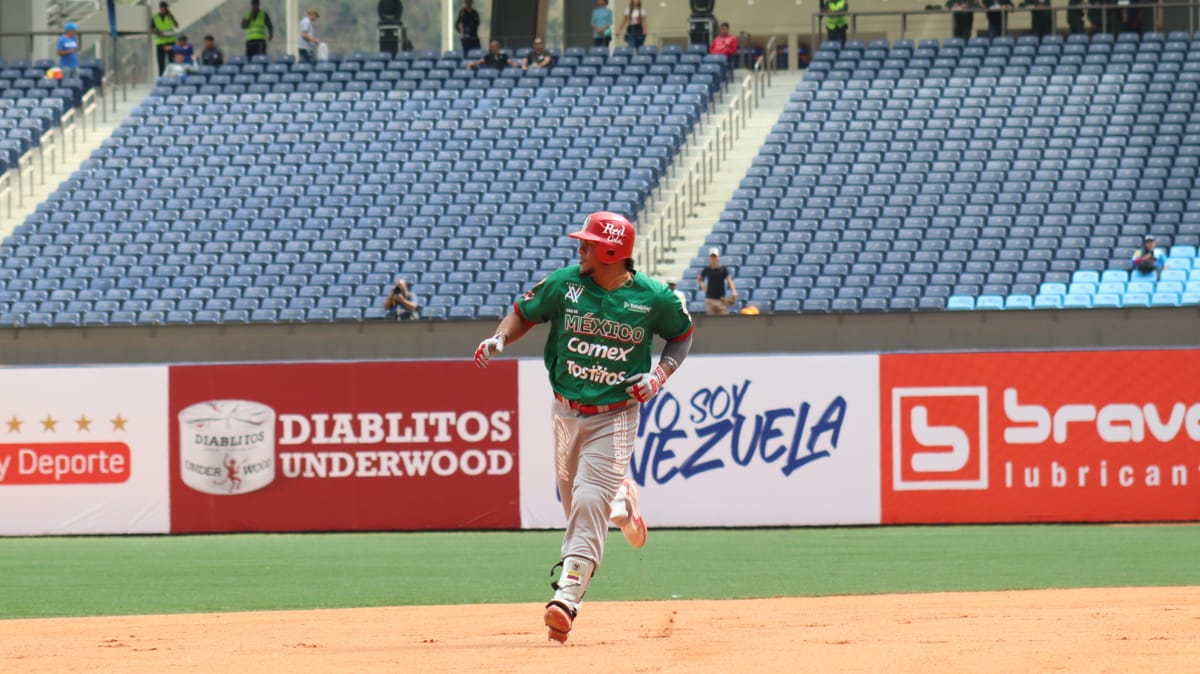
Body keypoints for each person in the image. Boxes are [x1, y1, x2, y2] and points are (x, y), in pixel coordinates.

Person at [473, 211, 693, 644]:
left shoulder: (654, 298)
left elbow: (682, 335)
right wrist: (500, 338)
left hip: (616, 414)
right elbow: (523, 312)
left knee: (590, 500)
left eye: (589, 243)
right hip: (565, 411)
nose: (581, 248)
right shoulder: (565, 283)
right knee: (576, 507)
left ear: (612, 251)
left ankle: (567, 599)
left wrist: (659, 375)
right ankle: (624, 499)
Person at [697, 248, 737, 315]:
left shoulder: (723, 269)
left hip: (721, 299)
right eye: (712, 257)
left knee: (724, 319)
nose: (713, 258)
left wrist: (733, 291)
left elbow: (729, 280)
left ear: (718, 257)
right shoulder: (707, 269)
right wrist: (704, 288)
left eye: (715, 256)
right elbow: (699, 279)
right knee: (711, 321)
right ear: (709, 258)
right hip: (710, 300)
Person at [151, 2, 179, 75]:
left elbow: (176, 25)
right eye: (162, 8)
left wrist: (172, 17)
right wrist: (160, 34)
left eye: (165, 8)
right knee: (161, 62)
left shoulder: (170, 16)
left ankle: (172, 77)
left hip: (170, 42)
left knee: (172, 61)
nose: (164, 9)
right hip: (160, 42)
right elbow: (152, 29)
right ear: (160, 8)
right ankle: (162, 78)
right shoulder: (155, 17)